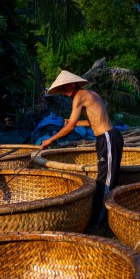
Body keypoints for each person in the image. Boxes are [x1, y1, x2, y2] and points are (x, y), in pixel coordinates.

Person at [40, 70, 124, 232]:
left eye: (66, 88)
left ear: (73, 84)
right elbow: (94, 120)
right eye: (62, 90)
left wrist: (50, 140)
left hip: (107, 138)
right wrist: (74, 123)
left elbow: (70, 126)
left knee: (105, 183)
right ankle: (105, 221)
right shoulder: (91, 94)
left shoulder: (79, 96)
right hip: (106, 138)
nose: (65, 93)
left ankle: (97, 226)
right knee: (107, 178)